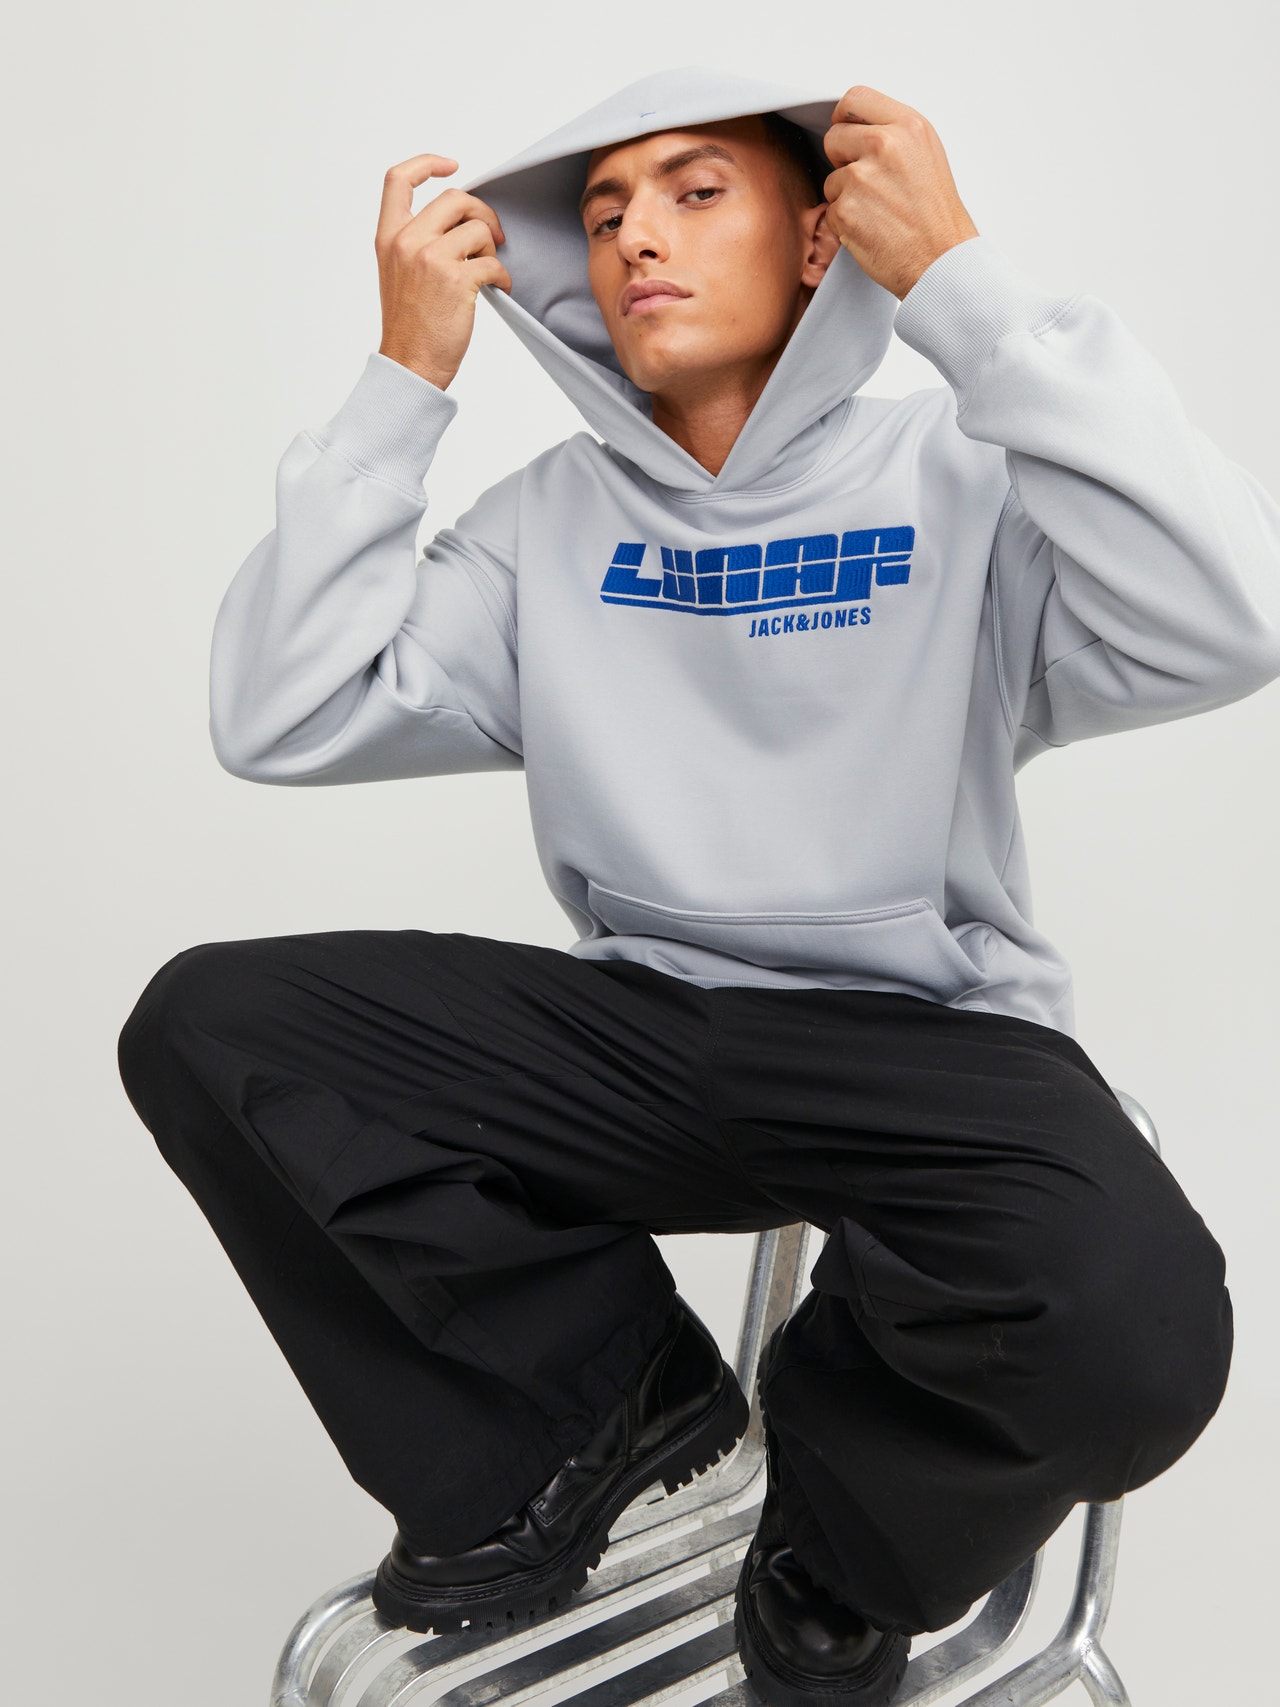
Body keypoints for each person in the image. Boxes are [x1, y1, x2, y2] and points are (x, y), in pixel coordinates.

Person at [115, 65, 1280, 1707]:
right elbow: (277, 711)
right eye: (601, 216)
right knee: (218, 1023)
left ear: (818, 243)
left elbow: (1232, 617)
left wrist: (960, 282)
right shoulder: (547, 524)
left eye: (693, 191)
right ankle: (594, 1413)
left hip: (929, 1045)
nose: (635, 240)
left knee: (1138, 1332)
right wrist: (404, 380)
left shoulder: (962, 473)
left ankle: (834, 1559)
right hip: (645, 1036)